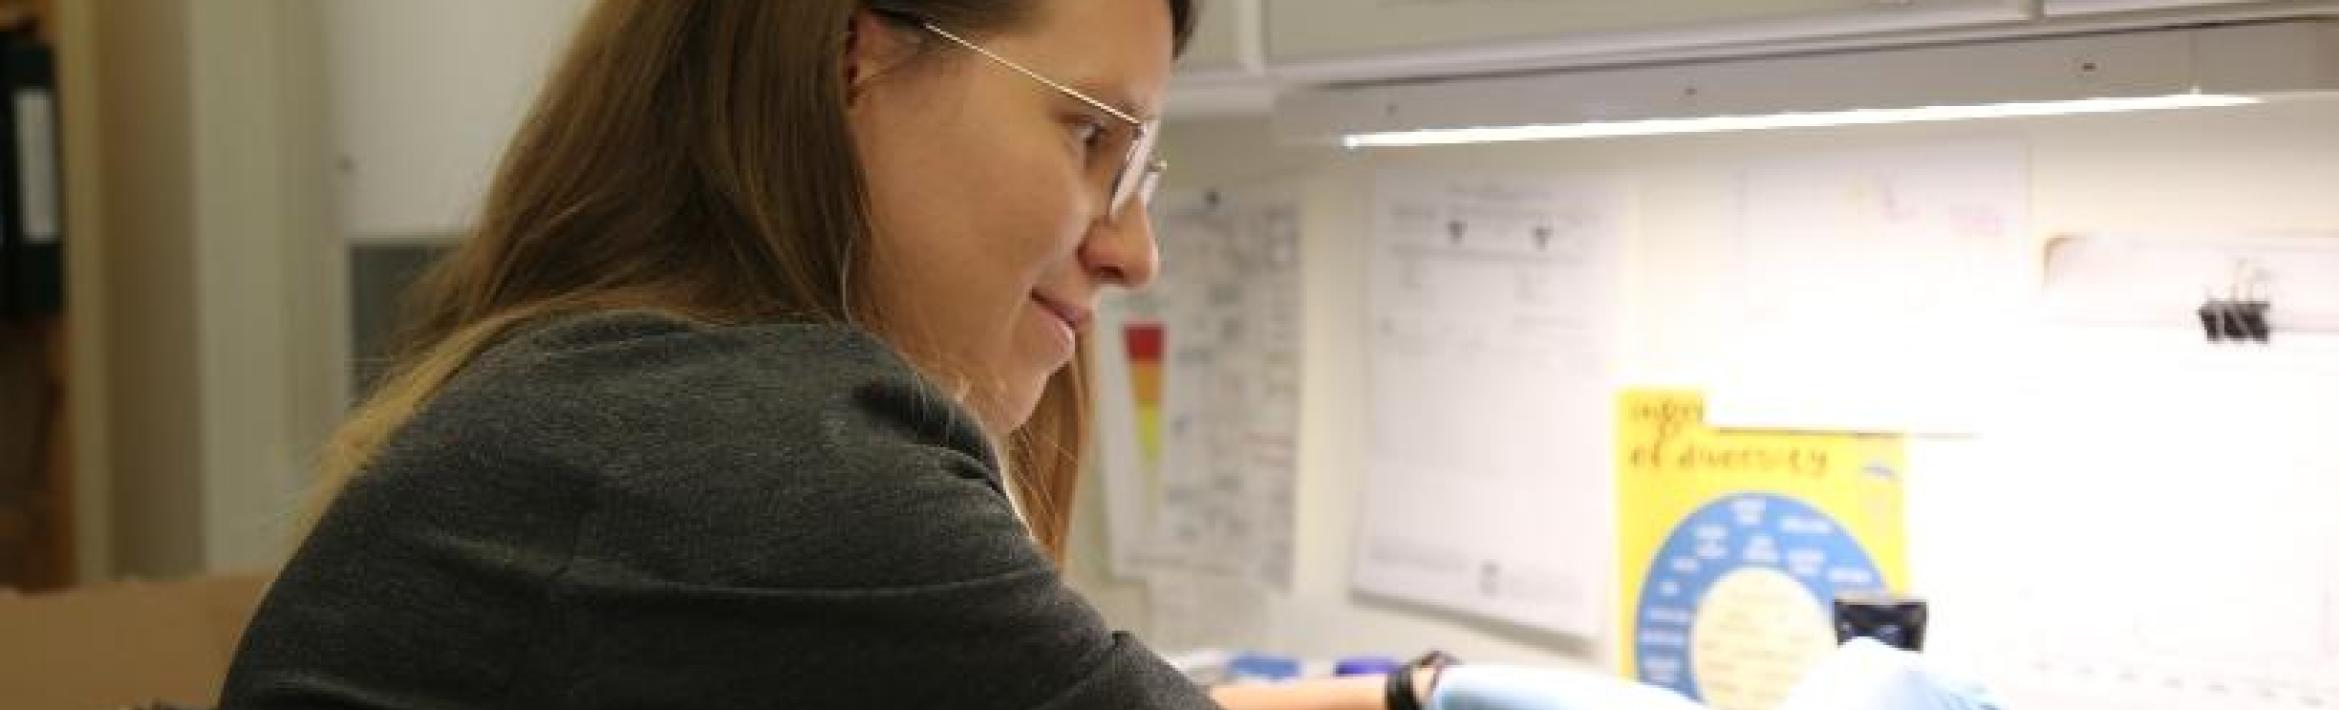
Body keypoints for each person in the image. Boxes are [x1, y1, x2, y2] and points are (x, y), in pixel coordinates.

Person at [217, 1, 1995, 708]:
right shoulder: (757, 455)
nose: (1135, 245)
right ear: (856, 54)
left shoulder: (617, 407)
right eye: (1091, 141)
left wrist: (1403, 689)